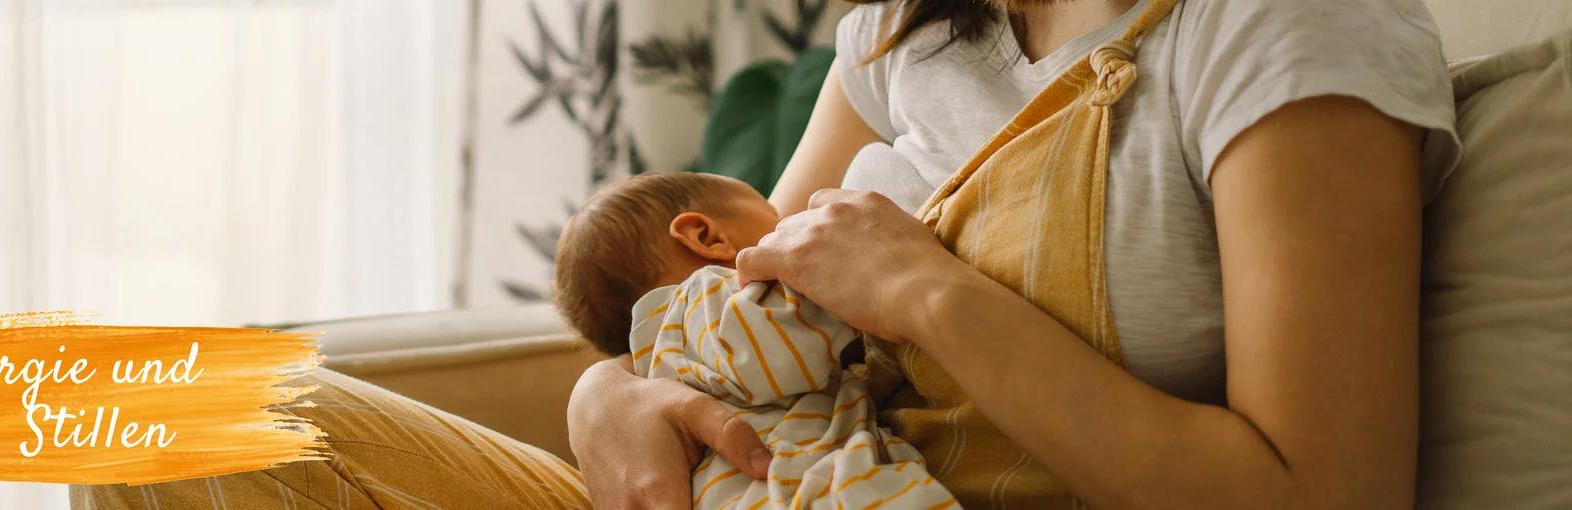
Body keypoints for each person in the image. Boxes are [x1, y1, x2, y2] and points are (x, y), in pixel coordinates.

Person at [73, 0, 1457, 507]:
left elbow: (1322, 490)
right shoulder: (903, 31)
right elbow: (734, 295)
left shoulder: (1277, 30)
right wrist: (602, 397)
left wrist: (930, 292)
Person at [549, 172, 958, 508]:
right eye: (778, 219)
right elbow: (779, 348)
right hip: (788, 484)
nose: (792, 229)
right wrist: (858, 283)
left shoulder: (667, 359)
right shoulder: (705, 300)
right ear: (706, 237)